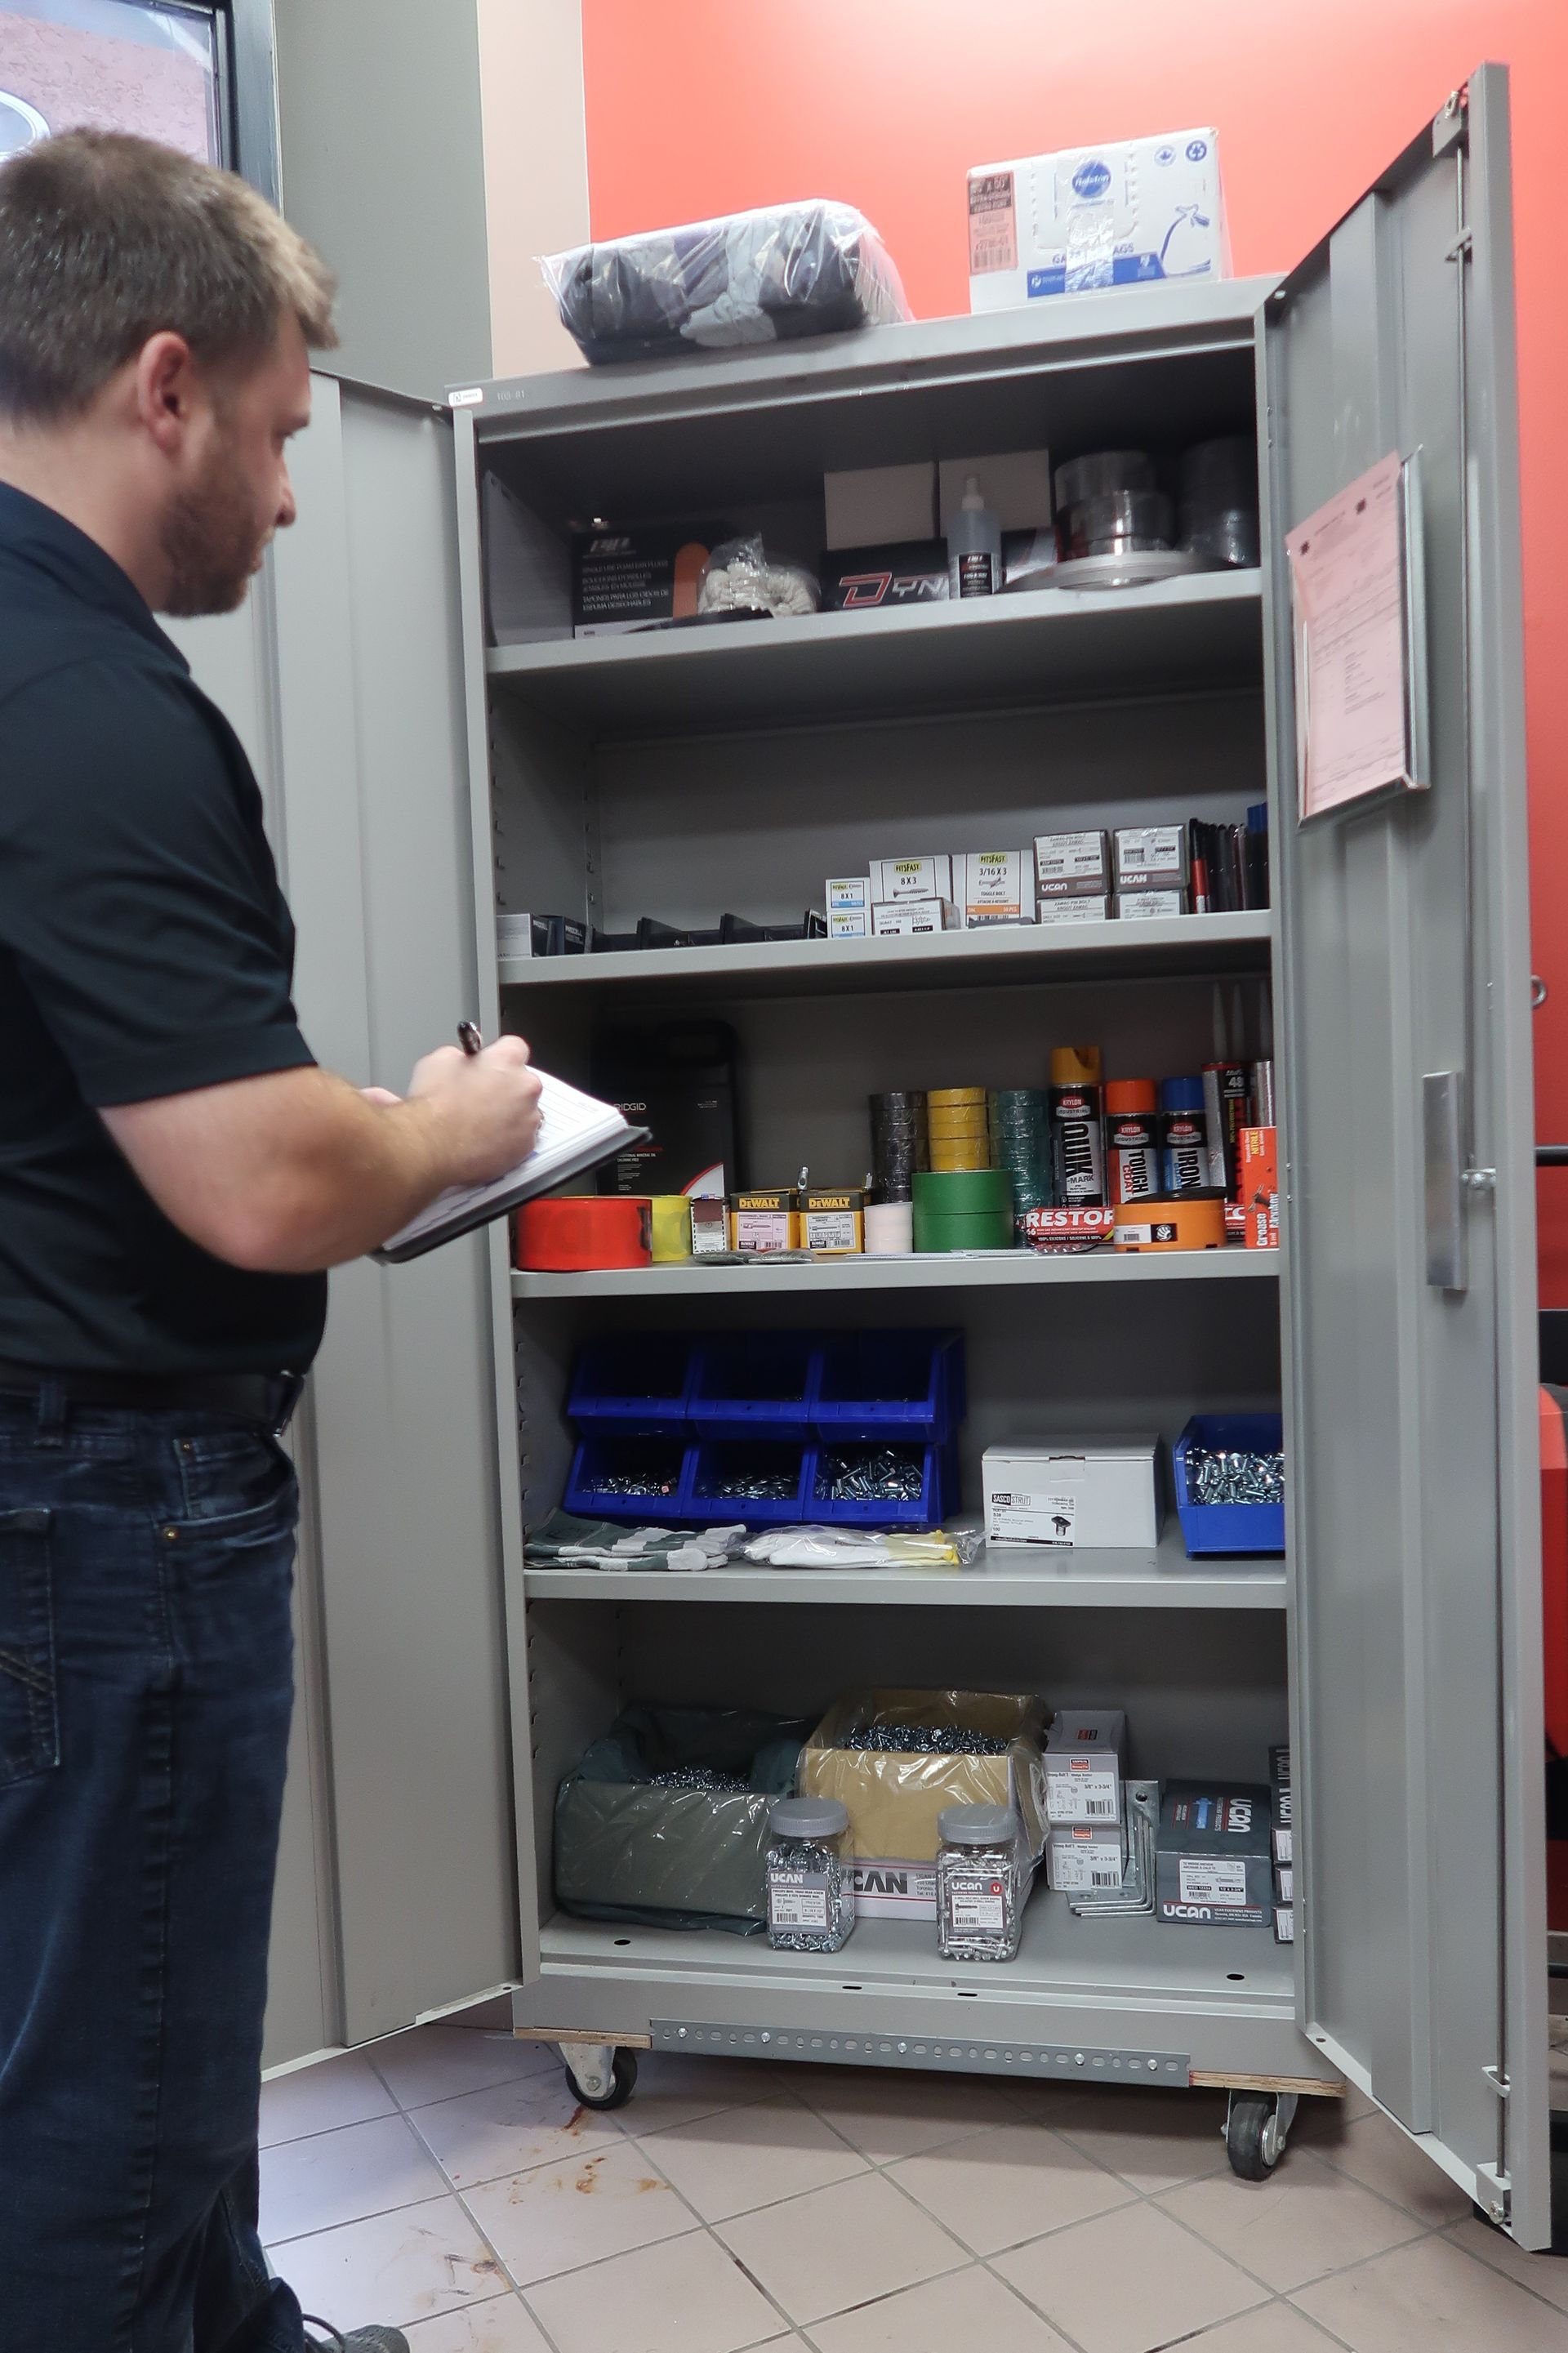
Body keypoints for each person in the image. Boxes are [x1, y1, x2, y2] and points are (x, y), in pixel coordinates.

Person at [0, 131, 542, 2353]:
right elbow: (262, 1181)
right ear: (167, 388)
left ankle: (228, 2320)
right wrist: (449, 1127)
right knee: (99, 2115)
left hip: (56, 1473)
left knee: (127, 2033)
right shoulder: (83, 702)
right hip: (104, 1501)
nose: (295, 497)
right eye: (286, 433)